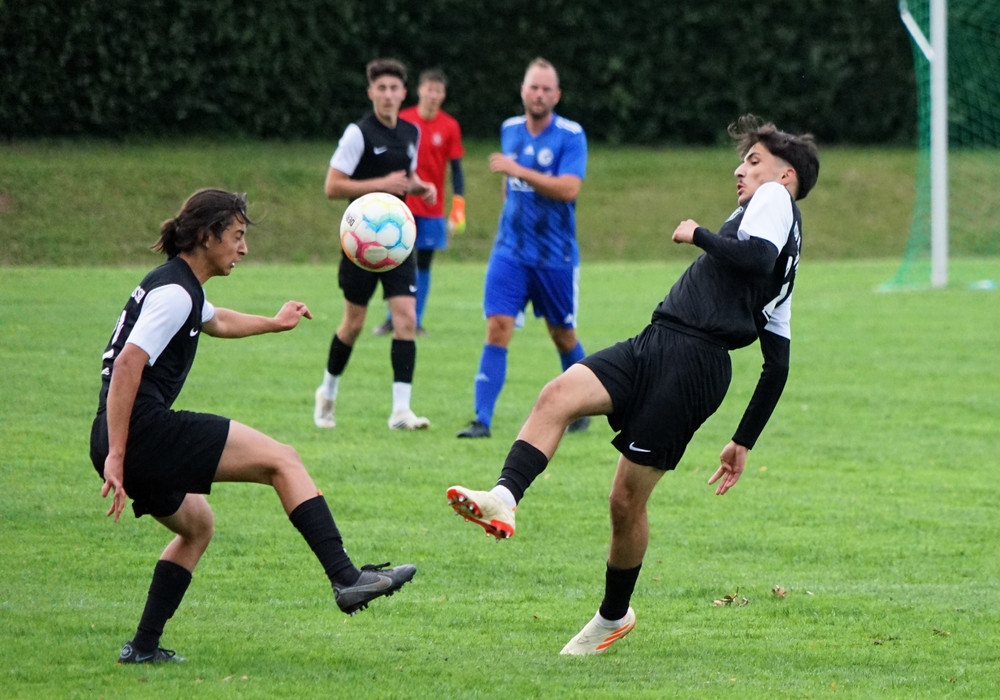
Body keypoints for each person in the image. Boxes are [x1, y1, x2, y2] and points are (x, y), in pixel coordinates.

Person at [447, 114, 819, 655]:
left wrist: (699, 234)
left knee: (625, 501)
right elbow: (776, 364)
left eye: (754, 161)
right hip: (656, 340)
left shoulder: (775, 201)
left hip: (694, 365)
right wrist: (743, 440)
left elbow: (756, 257)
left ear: (786, 176)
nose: (740, 171)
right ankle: (504, 497)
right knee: (558, 396)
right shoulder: (778, 251)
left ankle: (612, 617)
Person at [90, 189, 417, 665]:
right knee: (282, 460)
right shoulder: (176, 294)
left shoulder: (178, 285)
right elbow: (126, 366)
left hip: (112, 432)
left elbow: (217, 320)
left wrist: (276, 322)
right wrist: (119, 455)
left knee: (197, 527)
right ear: (208, 236)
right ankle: (346, 578)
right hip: (140, 431)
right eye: (237, 236)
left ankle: (142, 648)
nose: (243, 248)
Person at [456, 58, 589, 439]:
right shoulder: (510, 129)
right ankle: (481, 420)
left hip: (555, 256)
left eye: (547, 89)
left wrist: (520, 172)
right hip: (510, 252)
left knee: (562, 334)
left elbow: (569, 189)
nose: (539, 94)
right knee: (497, 327)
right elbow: (508, 188)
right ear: (523, 91)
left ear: (556, 95)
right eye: (534, 87)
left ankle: (584, 405)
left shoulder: (571, 135)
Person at [314, 58, 436, 431]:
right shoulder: (358, 134)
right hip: (361, 245)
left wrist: (420, 187)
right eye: (380, 88)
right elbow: (333, 186)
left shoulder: (411, 132)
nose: (387, 95)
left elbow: (405, 178)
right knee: (353, 324)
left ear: (403, 93)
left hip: (399, 243)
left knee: (406, 319)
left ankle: (401, 411)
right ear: (371, 92)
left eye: (393, 88)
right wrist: (380, 184)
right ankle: (327, 392)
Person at [373, 68, 466, 337]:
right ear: (420, 90)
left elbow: (456, 169)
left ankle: (415, 319)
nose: (433, 95)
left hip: (432, 207)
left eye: (438, 91)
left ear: (443, 95)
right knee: (397, 260)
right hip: (403, 204)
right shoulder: (404, 120)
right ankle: (393, 317)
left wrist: (458, 205)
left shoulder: (450, 126)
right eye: (429, 89)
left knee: (424, 263)